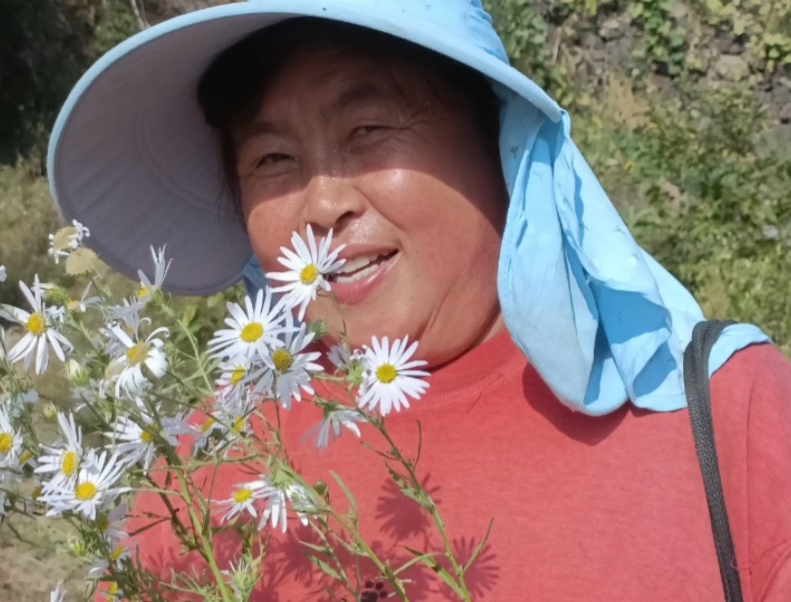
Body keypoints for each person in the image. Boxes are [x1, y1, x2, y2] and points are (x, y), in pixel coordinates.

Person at [47, 1, 791, 599]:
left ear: (497, 139)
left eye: (368, 130)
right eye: (271, 159)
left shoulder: (725, 417)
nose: (322, 202)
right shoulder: (205, 459)